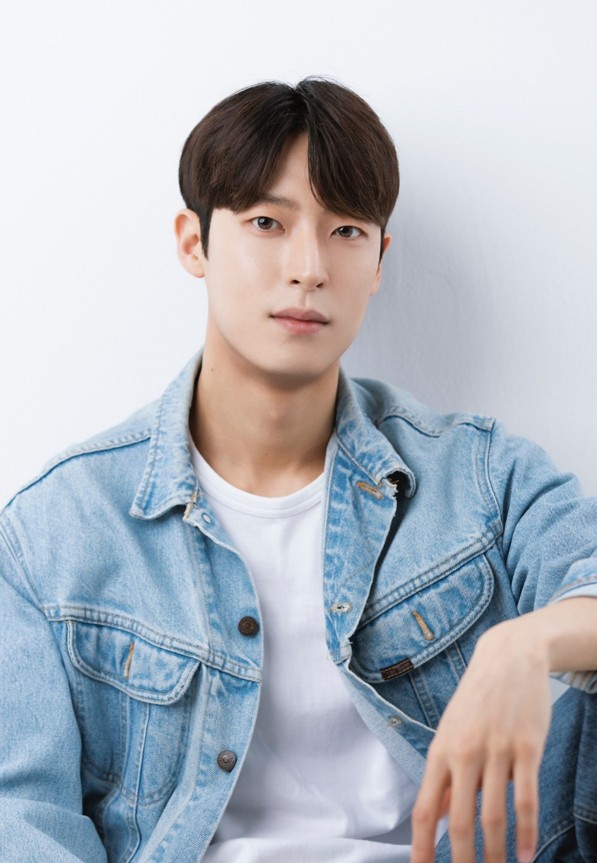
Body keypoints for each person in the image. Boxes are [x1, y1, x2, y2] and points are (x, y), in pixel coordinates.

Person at [0, 78, 596, 863]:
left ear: (378, 261)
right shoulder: (58, 527)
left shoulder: (479, 476)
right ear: (193, 242)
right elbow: (22, 815)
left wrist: (523, 645)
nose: (309, 267)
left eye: (345, 230)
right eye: (266, 222)